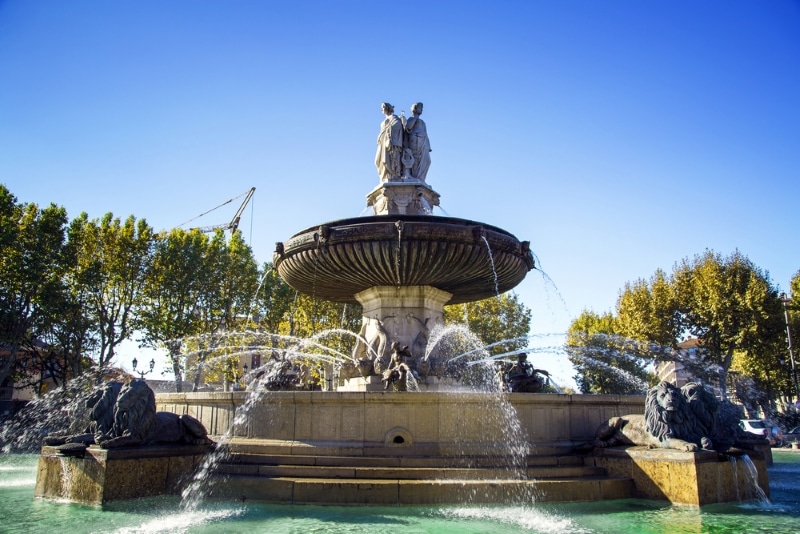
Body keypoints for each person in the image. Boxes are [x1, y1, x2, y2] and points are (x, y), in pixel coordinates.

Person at [402, 102, 431, 182]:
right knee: (416, 159)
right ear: (415, 108)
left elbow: (426, 134)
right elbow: (408, 127)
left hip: (423, 143)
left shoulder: (422, 122)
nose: (422, 109)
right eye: (420, 108)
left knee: (427, 161)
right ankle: (415, 176)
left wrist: (428, 146)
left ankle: (420, 178)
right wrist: (415, 117)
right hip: (415, 141)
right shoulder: (411, 119)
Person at [375, 103, 404, 182]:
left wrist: (388, 131)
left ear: (388, 108)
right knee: (377, 161)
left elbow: (398, 125)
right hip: (382, 143)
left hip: (390, 143)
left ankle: (392, 175)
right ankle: (384, 175)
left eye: (383, 107)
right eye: (381, 108)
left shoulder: (394, 117)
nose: (382, 109)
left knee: (389, 161)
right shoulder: (385, 120)